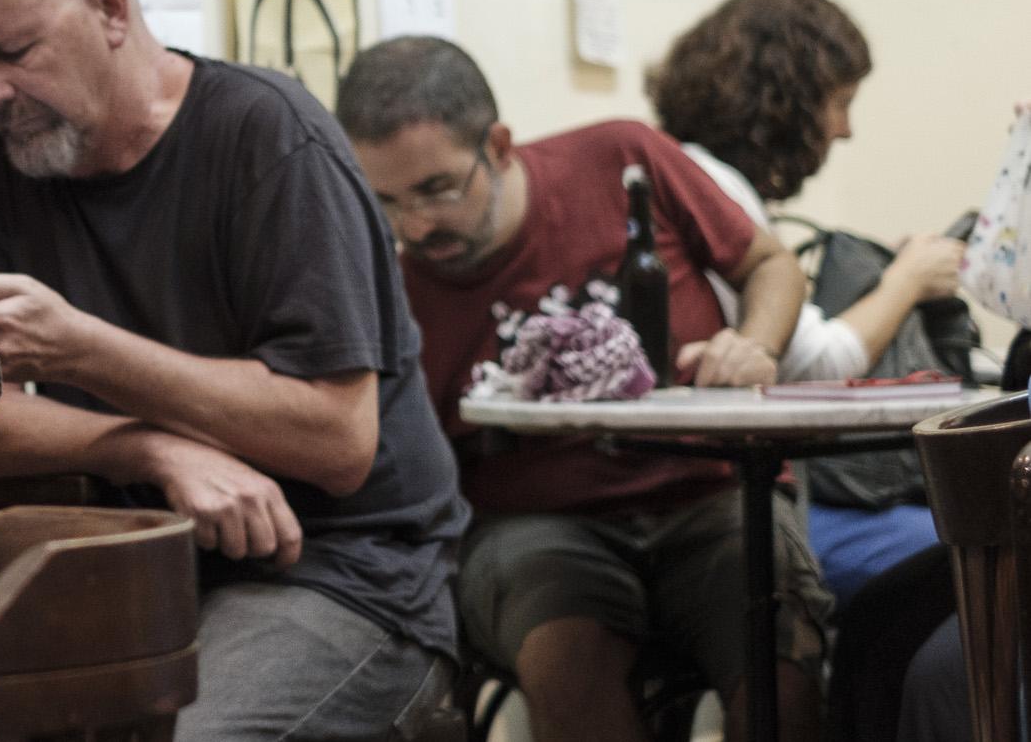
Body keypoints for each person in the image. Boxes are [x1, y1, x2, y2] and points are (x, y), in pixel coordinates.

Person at [0, 0, 466, 741]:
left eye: (14, 52)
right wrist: (147, 444)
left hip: (338, 569)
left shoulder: (270, 138)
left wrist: (81, 351)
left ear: (110, 7)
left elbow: (337, 437)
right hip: (130, 560)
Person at [337, 37, 830, 742]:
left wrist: (754, 343)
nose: (415, 226)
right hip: (535, 522)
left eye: (438, 189)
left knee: (782, 670)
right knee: (568, 664)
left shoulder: (621, 159)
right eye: (386, 201)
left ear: (499, 145)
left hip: (710, 489)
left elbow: (770, 262)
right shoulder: (393, 281)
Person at [652, 0, 966, 602]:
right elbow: (809, 360)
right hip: (720, 496)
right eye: (840, 102)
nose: (845, 130)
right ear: (787, 101)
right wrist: (907, 280)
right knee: (972, 546)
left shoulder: (688, 174)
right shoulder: (713, 189)